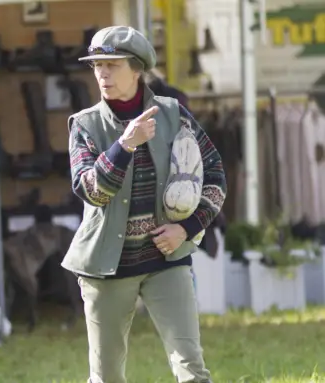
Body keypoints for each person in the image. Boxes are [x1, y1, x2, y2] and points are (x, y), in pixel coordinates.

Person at [63, 26, 226, 383]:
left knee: (192, 369)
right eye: (96, 66)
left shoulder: (174, 114)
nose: (102, 74)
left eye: (112, 65)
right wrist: (124, 146)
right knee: (106, 377)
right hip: (105, 269)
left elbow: (214, 177)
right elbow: (92, 191)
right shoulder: (84, 125)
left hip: (166, 261)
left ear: (137, 69)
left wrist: (187, 228)